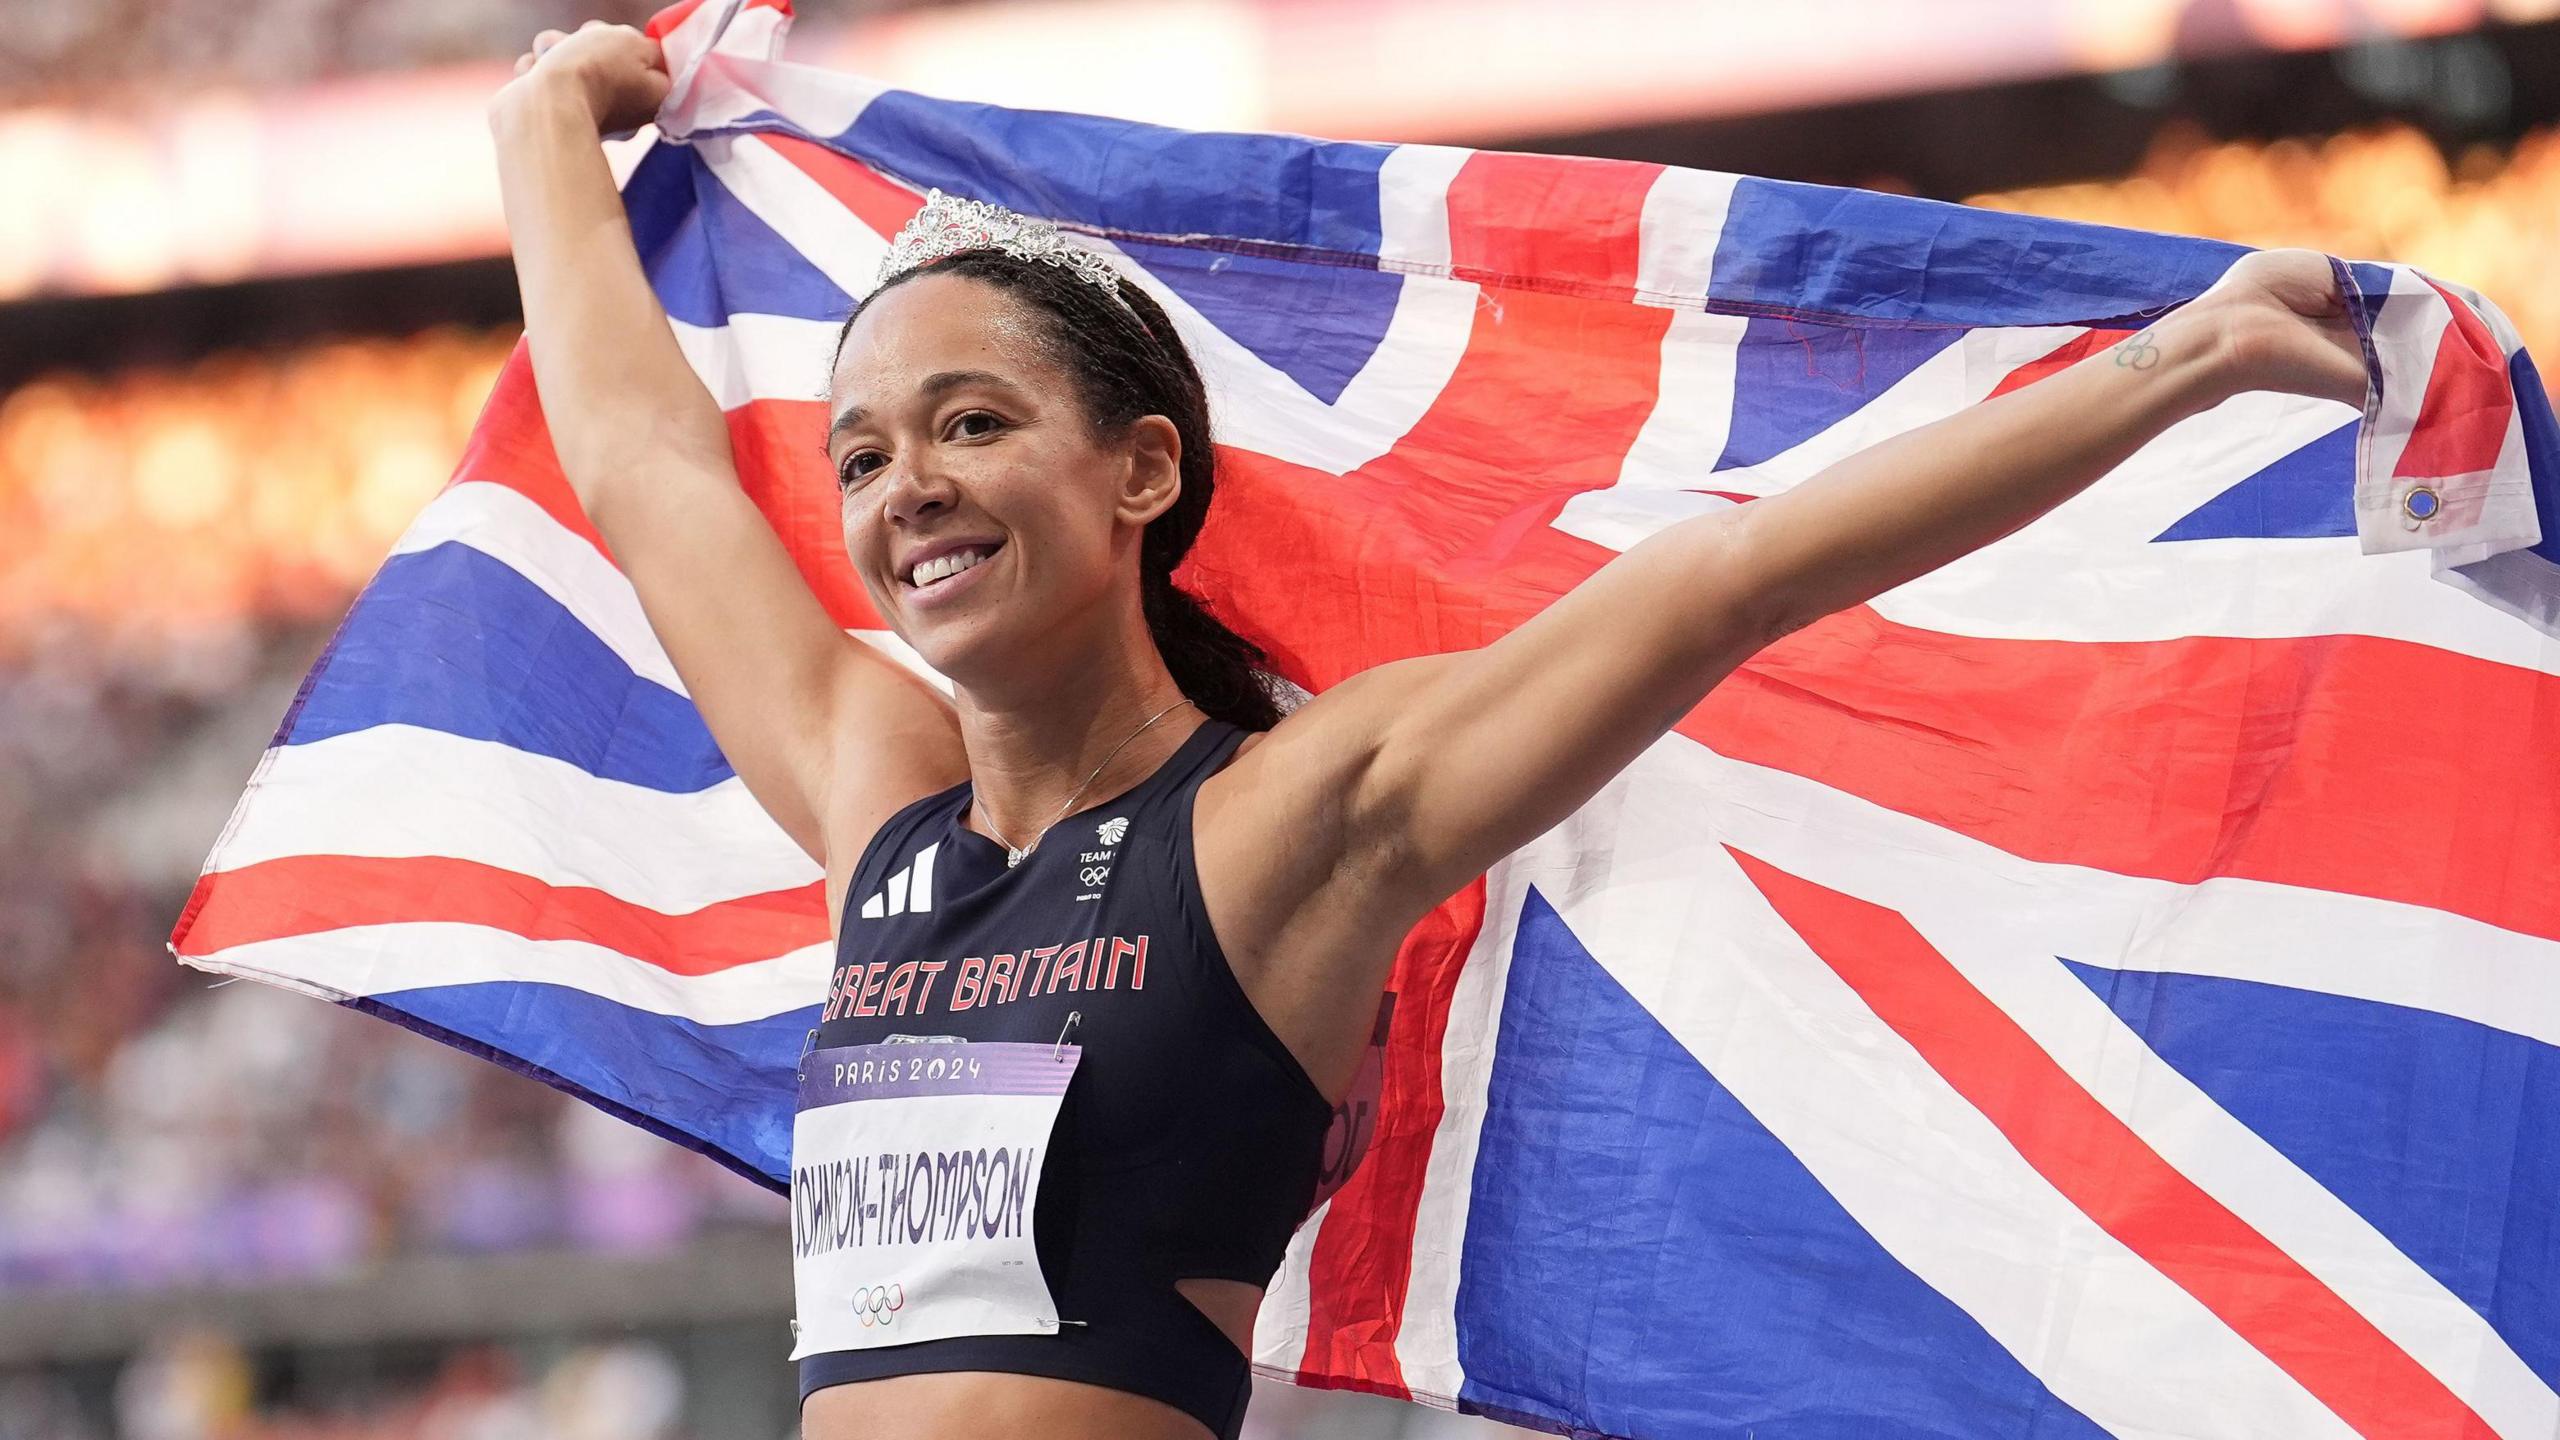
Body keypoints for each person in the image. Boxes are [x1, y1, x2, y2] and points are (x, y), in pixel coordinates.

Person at [488, 21, 2368, 1440]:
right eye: (866, 455)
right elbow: (649, 472)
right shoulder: (878, 811)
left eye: (975, 423)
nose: (910, 487)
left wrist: (2170, 368)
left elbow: (1726, 585)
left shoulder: (1301, 816)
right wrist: (544, 141)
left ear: (1145, 468)